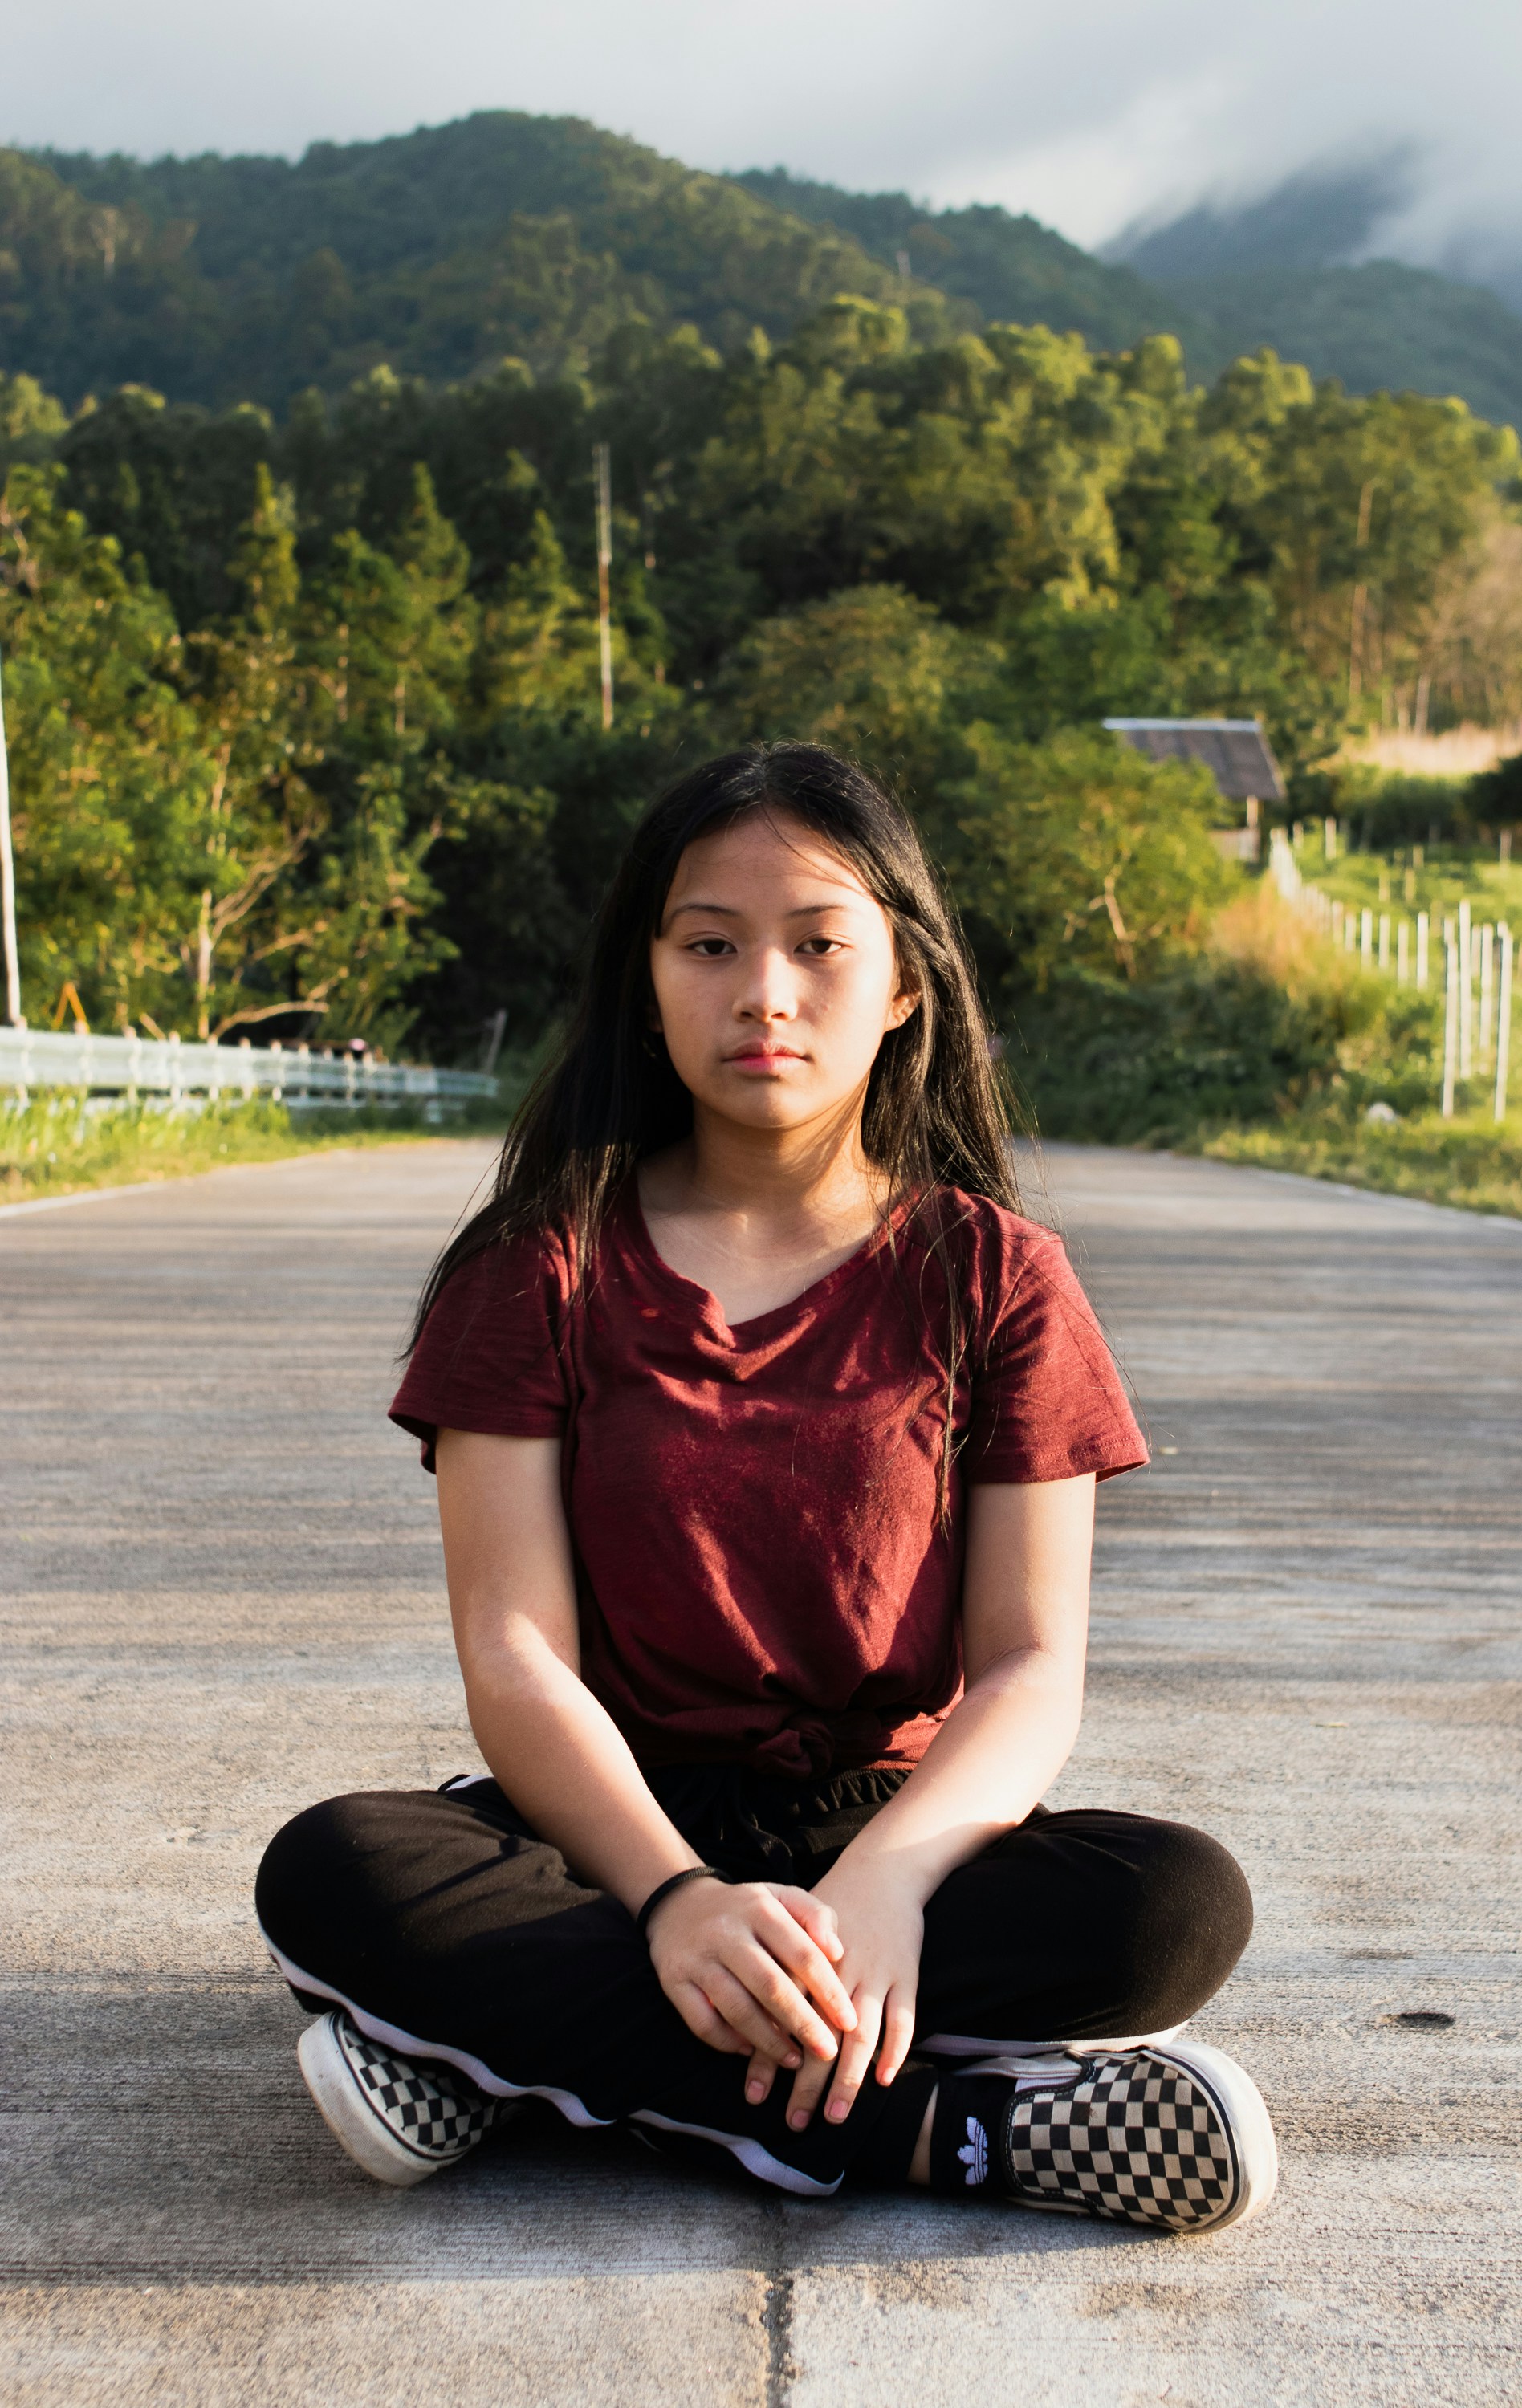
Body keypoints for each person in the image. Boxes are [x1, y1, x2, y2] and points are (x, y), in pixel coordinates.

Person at [255, 743, 1277, 2229]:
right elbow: (516, 1652)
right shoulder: (534, 1268)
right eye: (710, 945)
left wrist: (882, 1891)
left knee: (1172, 1907)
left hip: (896, 1824)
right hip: (606, 1833)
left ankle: (502, 2058)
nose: (765, 993)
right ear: (647, 976)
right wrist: (674, 1905)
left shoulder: (998, 1277)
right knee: (338, 1872)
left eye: (818, 945)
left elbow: (1032, 1664)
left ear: (905, 981)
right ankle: (947, 2130)